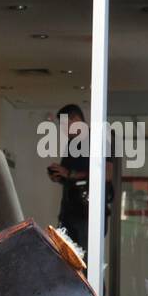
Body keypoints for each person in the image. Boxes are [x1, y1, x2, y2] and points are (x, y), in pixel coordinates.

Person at [46, 104, 111, 252]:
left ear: (76, 119)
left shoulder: (98, 140)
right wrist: (59, 176)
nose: (63, 130)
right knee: (65, 261)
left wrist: (70, 174)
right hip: (68, 213)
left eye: (64, 124)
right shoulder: (71, 144)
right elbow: (68, 174)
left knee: (86, 262)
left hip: (89, 214)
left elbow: (106, 174)